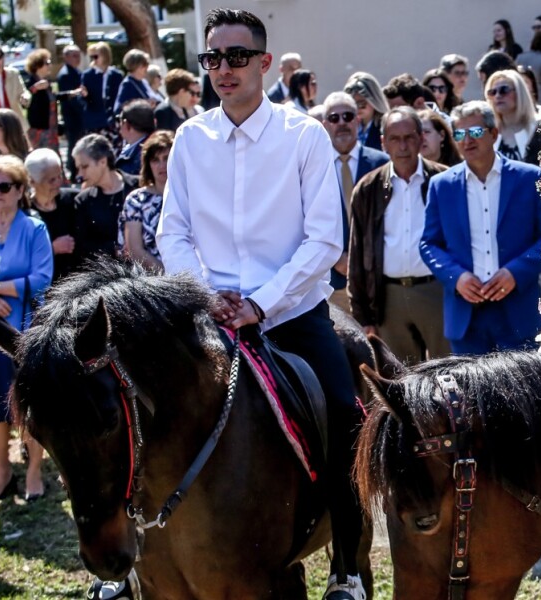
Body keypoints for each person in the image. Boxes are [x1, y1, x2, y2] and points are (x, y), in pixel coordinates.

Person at [157, 10, 369, 599]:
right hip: (208, 317)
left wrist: (261, 303)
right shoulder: (189, 139)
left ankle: (348, 567)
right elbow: (172, 232)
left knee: (346, 422)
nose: (223, 69)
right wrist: (204, 293)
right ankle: (134, 561)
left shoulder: (304, 136)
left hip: (293, 315)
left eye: (236, 57)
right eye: (212, 59)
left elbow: (325, 239)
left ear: (265, 64)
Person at [419, 101, 541, 355]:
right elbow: (429, 244)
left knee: (526, 392)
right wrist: (457, 276)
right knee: (471, 394)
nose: (467, 140)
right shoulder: (441, 185)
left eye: (475, 132)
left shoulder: (529, 177)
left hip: (518, 310)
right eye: (459, 134)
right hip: (466, 315)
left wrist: (516, 272)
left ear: (493, 133)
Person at [348, 107, 450, 364]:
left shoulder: (444, 179)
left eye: (409, 137)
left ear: (420, 138)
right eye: (395, 138)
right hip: (388, 297)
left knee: (449, 373)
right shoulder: (368, 188)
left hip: (436, 292)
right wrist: (364, 316)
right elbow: (358, 255)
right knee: (401, 380)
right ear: (384, 142)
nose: (403, 145)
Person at [0, 155, 52, 502]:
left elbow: (42, 279)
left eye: (4, 186)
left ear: (19, 190)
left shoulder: (34, 228)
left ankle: (33, 472)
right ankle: (2, 471)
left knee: (27, 405)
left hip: (22, 332)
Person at [319, 91, 389, 315]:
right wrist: (336, 258)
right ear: (325, 124)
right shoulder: (314, 168)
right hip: (335, 282)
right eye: (333, 118)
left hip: (380, 280)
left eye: (348, 116)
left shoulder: (382, 163)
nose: (341, 123)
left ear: (358, 121)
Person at [72, 134, 138, 263]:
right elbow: (83, 247)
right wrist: (113, 249)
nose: (80, 174)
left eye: (84, 167)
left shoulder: (138, 187)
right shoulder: (83, 201)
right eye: (78, 168)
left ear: (103, 161)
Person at [119, 130, 173, 272]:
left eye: (166, 158)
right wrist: (170, 278)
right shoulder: (136, 200)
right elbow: (135, 250)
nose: (161, 165)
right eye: (155, 160)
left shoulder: (191, 195)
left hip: (193, 276)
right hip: (152, 281)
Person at [25, 148, 80, 281]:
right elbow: (19, 257)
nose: (58, 182)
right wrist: (51, 249)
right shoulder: (24, 213)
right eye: (51, 180)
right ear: (32, 181)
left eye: (59, 176)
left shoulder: (74, 200)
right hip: (43, 285)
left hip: (76, 281)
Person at [485, 70, 541, 166]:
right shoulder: (488, 133)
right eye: (492, 92)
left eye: (504, 90)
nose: (498, 96)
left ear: (520, 93)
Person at [56, 45, 88, 181]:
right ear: (66, 57)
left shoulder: (75, 71)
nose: (77, 58)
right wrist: (83, 110)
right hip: (72, 116)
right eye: (74, 55)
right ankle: (74, 172)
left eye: (78, 55)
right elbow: (69, 99)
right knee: (74, 144)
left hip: (77, 116)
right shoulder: (65, 75)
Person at [81, 42, 124, 138]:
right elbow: (84, 99)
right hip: (94, 119)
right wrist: (84, 95)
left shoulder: (116, 75)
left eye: (96, 56)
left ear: (105, 56)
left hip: (112, 120)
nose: (93, 60)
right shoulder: (88, 75)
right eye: (91, 57)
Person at [20, 49, 59, 150]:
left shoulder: (46, 82)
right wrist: (34, 88)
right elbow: (24, 101)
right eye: (47, 63)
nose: (50, 65)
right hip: (39, 130)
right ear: (38, 65)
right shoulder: (31, 82)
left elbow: (53, 98)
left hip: (51, 128)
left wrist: (70, 94)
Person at [344, 72, 388, 152]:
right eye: (353, 104)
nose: (357, 108)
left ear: (374, 101)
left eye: (362, 104)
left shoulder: (386, 126)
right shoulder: (346, 126)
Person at [0, 44, 30, 130]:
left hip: (13, 121)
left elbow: (23, 91)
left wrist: (25, 98)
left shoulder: (13, 73)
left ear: (3, 57)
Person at [114, 100, 156, 176]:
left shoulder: (143, 156)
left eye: (119, 120)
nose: (118, 126)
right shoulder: (157, 145)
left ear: (127, 125)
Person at [113, 49, 161, 114]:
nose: (147, 67)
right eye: (144, 64)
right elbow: (118, 109)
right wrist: (142, 104)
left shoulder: (144, 82)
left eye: (147, 64)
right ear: (135, 66)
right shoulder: (127, 84)